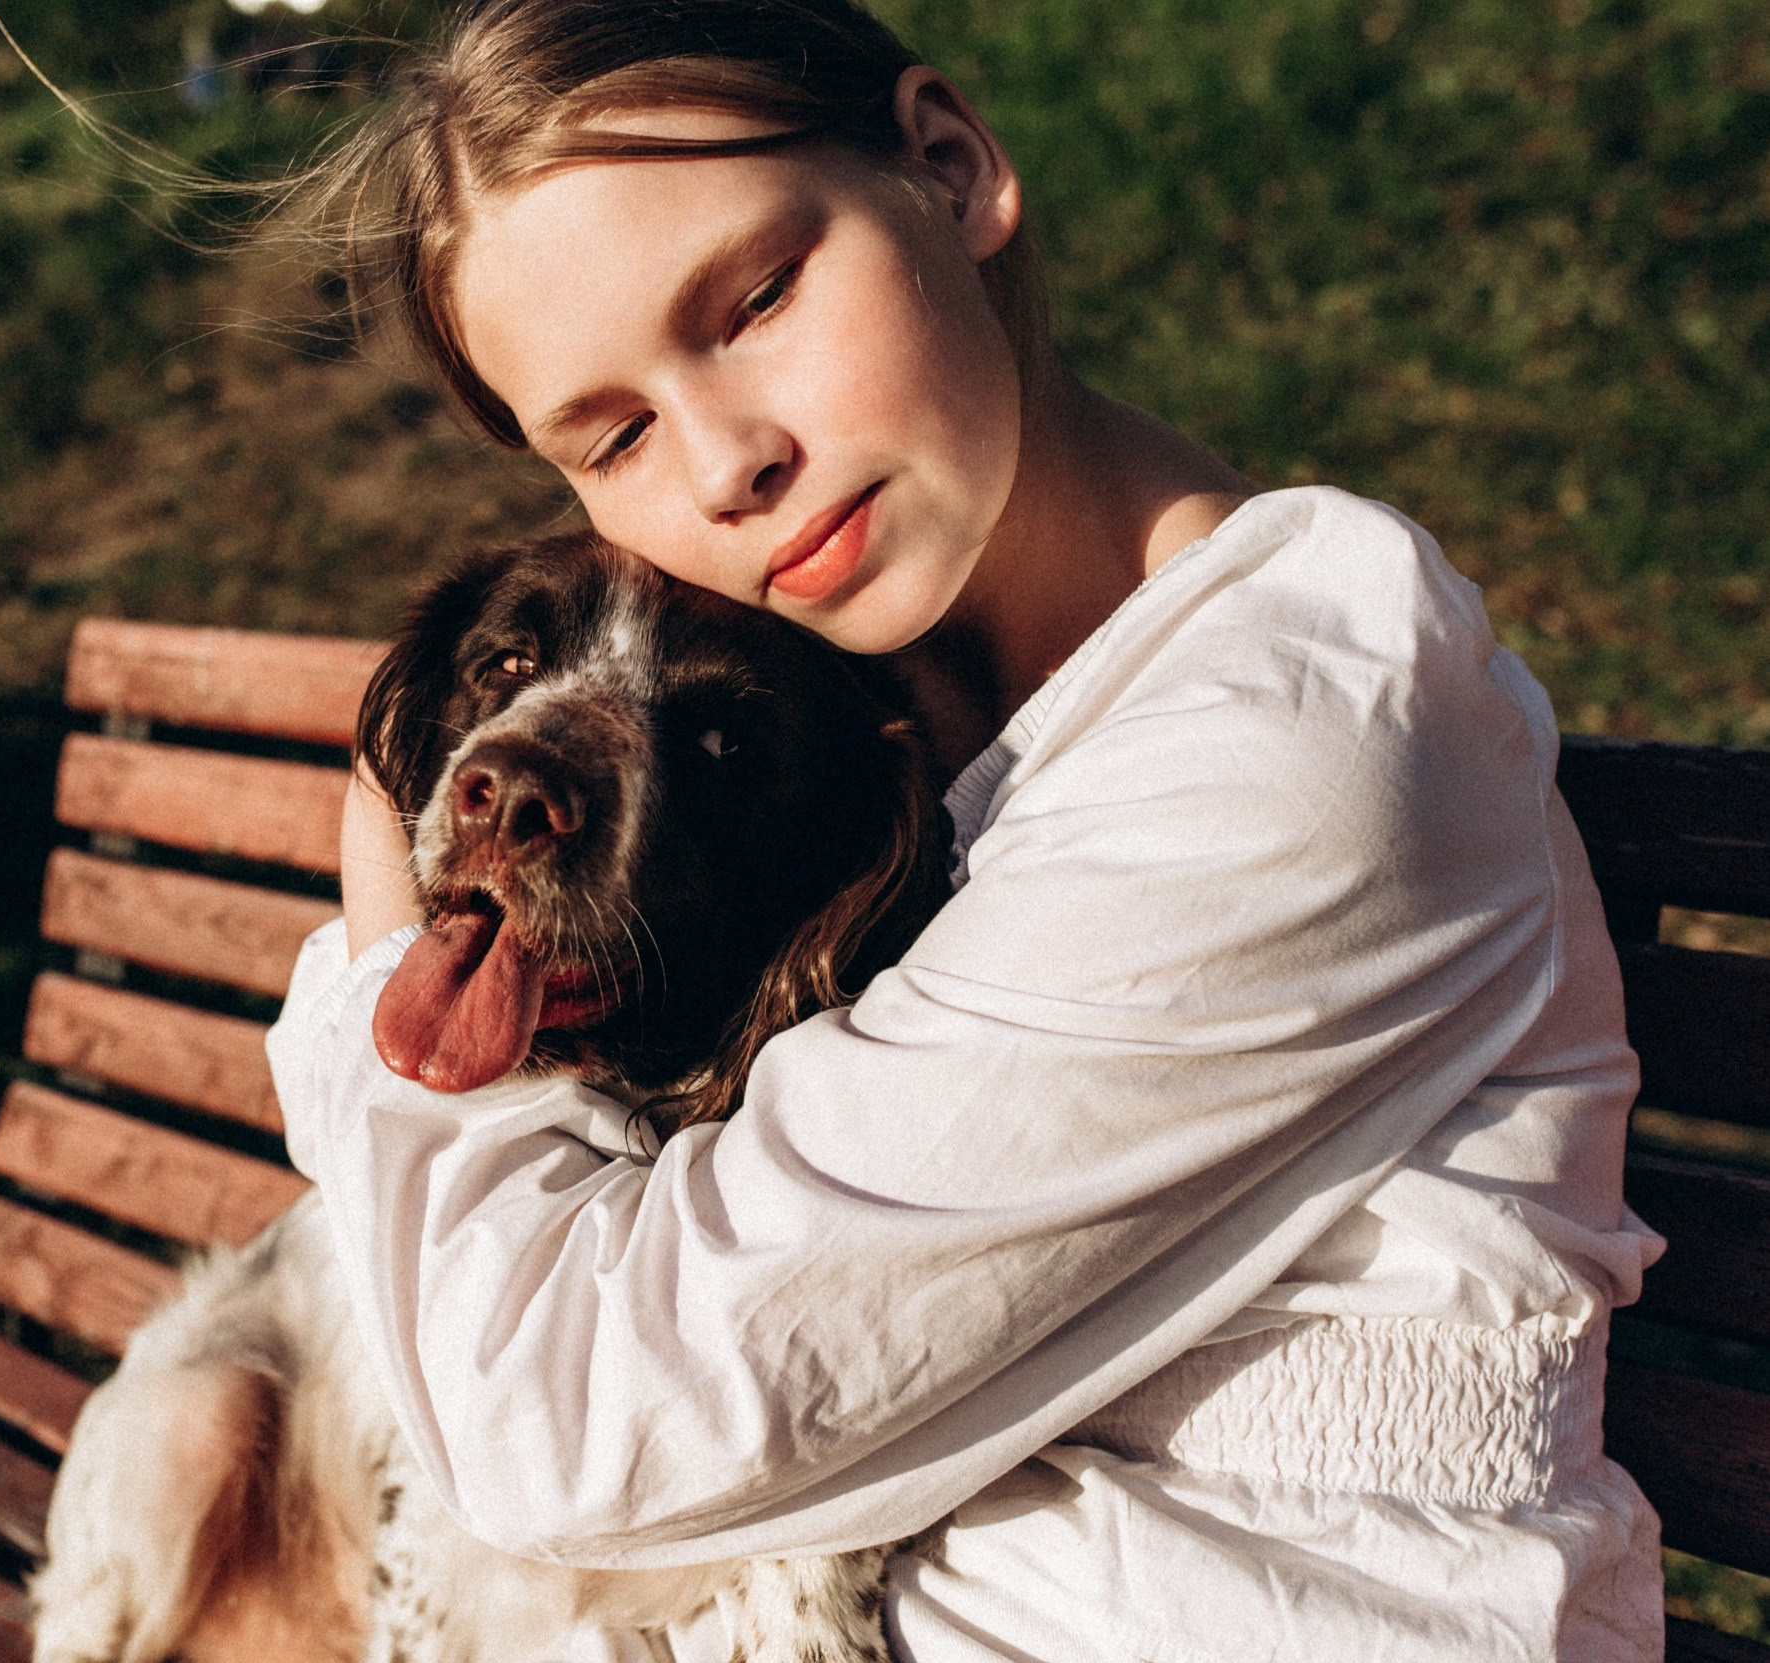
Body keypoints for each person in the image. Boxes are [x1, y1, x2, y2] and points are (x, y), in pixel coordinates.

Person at [257, 1, 1667, 1656]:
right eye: (616, 435)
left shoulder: (1293, 741)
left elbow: (571, 1433)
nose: (730, 463)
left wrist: (388, 886)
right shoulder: (897, 772)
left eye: (760, 298)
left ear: (952, 166)